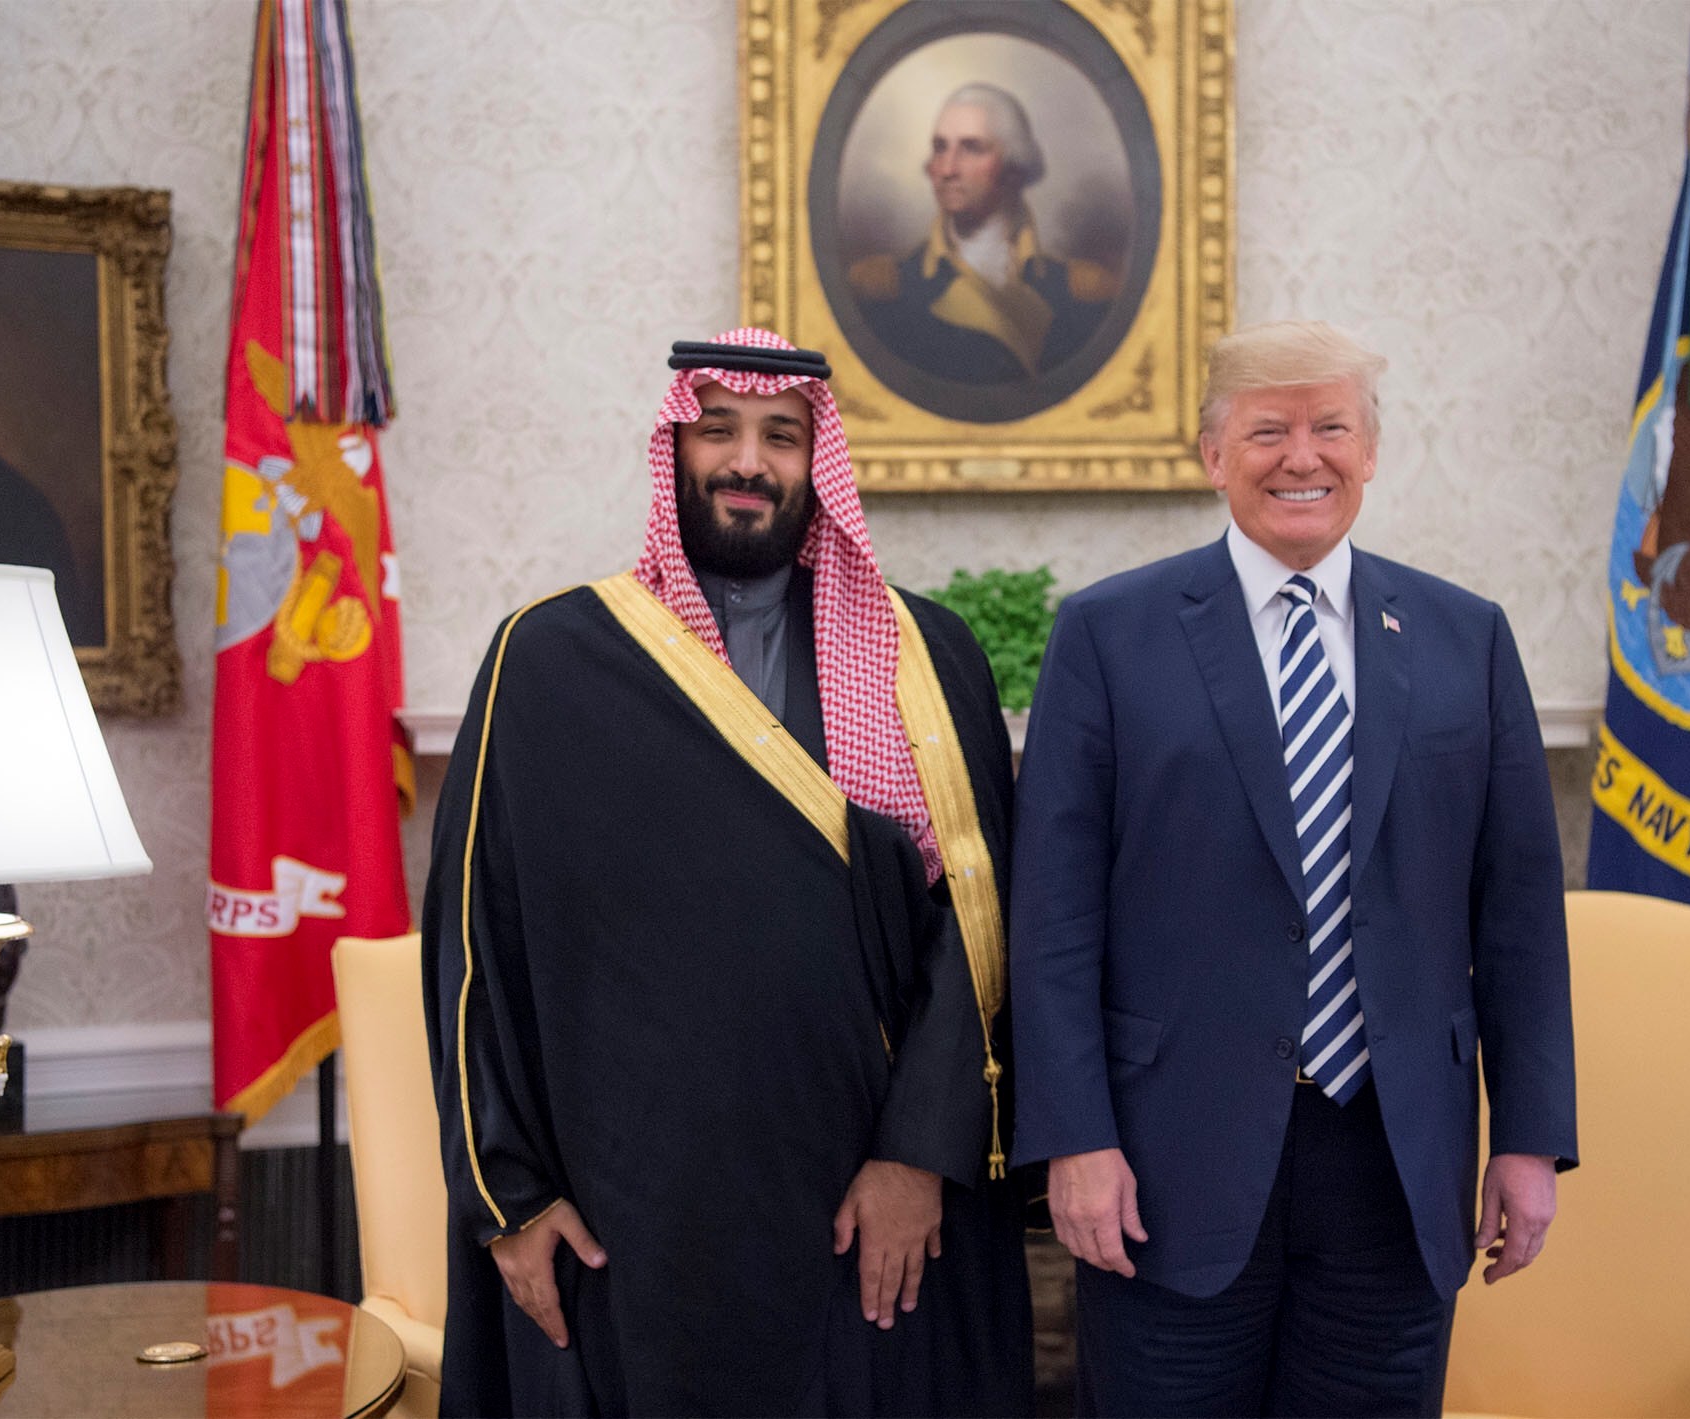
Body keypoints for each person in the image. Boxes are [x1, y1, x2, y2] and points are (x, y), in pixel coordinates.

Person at [423, 328, 1034, 1416]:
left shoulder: (925, 658)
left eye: (781, 437)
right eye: (719, 431)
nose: (747, 461)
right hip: (632, 1211)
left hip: (871, 1208)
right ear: (675, 449)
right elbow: (475, 945)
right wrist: (506, 1198)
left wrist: (917, 1158)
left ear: (819, 463)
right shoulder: (550, 659)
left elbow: (981, 928)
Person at [1009, 320, 1578, 1416]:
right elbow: (1053, 920)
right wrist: (1072, 1139)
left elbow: (1516, 915)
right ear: (1212, 455)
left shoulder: (1467, 638)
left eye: (1330, 427)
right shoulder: (1106, 635)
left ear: (1370, 450)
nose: (1300, 456)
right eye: (1265, 430)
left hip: (1394, 1160)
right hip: (1162, 1168)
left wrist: (1528, 1139)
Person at [849, 83, 1116, 384]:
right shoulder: (879, 288)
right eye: (940, 147)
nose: (947, 169)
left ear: (1013, 166)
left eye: (971, 148)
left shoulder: (1084, 291)